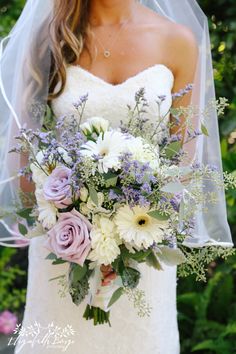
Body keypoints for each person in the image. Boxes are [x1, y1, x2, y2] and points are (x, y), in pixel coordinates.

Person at [0, 1, 233, 354]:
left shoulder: (179, 41)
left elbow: (185, 172)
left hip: (142, 258)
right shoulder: (48, 38)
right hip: (63, 253)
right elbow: (19, 164)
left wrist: (123, 238)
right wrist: (82, 223)